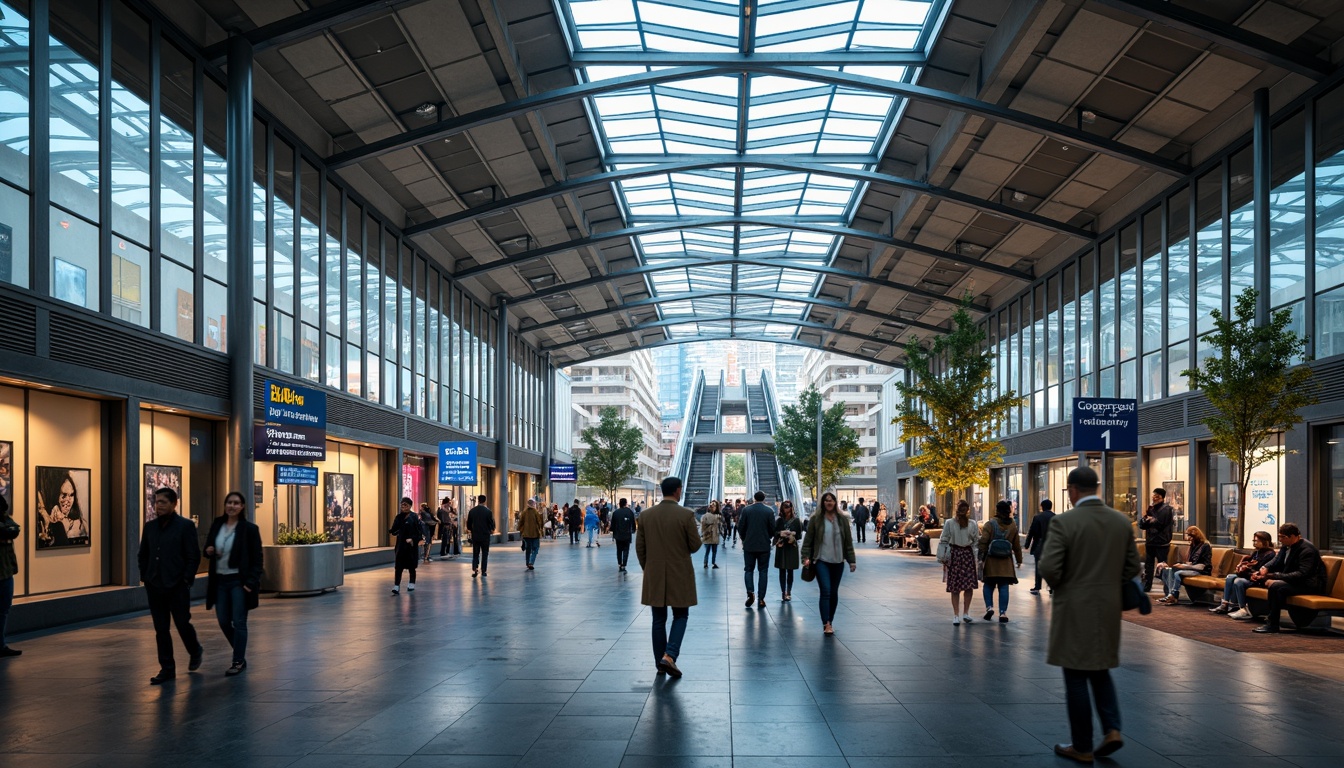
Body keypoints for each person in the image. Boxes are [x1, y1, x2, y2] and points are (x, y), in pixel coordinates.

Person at [1039, 466, 1141, 763]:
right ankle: (1112, 729)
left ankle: (1082, 746)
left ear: (1072, 490)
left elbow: (1049, 567)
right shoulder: (1121, 522)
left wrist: (1064, 584)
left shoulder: (1065, 522)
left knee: (1075, 675)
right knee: (1100, 670)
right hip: (1107, 609)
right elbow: (1133, 567)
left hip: (1073, 608)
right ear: (1096, 488)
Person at [635, 476, 701, 678]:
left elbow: (640, 548)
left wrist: (649, 567)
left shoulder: (646, 515)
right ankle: (670, 656)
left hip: (654, 572)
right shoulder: (686, 515)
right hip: (679, 572)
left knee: (658, 619)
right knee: (681, 615)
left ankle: (659, 662)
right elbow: (695, 545)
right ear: (678, 491)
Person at [137, 487, 204, 684]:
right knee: (161, 628)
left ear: (174, 504)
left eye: (163, 502)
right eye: (156, 502)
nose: (158, 505)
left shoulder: (185, 526)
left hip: (177, 585)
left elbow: (193, 556)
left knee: (182, 622)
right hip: (155, 585)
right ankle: (167, 668)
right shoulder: (150, 527)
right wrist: (146, 576)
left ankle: (195, 650)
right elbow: (143, 554)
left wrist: (185, 580)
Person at [203, 491, 263, 676]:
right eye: (229, 502)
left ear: (242, 507)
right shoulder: (217, 524)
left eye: (236, 503)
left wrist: (250, 583)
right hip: (220, 581)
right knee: (223, 621)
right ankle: (240, 654)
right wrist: (209, 550)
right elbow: (206, 549)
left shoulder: (249, 529)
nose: (232, 506)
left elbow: (257, 559)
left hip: (239, 581)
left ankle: (237, 661)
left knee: (239, 621)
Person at [1249, 523, 1327, 633]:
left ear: (1293, 536)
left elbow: (1302, 574)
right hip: (1296, 582)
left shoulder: (1307, 550)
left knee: (1276, 587)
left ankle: (1272, 624)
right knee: (1265, 581)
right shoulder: (1286, 546)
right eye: (1279, 536)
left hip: (1309, 584)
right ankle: (1267, 617)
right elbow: (1277, 560)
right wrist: (1265, 568)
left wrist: (1274, 576)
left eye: (1282, 537)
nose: (1280, 540)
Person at [800, 492, 856, 636]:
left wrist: (851, 560)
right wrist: (805, 557)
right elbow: (808, 541)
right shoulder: (816, 520)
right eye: (826, 501)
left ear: (835, 502)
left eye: (831, 500)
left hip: (838, 561)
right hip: (821, 560)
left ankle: (830, 618)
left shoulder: (842, 520)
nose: (829, 503)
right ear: (823, 503)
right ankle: (827, 623)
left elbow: (848, 542)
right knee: (826, 591)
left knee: (834, 593)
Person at [978, 499, 1023, 622]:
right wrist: (1019, 560)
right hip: (1006, 562)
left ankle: (989, 607)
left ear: (997, 510)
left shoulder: (990, 524)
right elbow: (1017, 545)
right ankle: (1003, 613)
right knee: (1004, 587)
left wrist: (980, 557)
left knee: (988, 585)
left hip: (991, 561)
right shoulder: (1013, 525)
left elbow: (983, 542)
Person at [1213, 530, 1276, 617]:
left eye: (1256, 541)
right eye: (1253, 541)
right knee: (1230, 577)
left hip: (1258, 578)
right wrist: (1243, 568)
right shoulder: (1256, 552)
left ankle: (1243, 608)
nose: (1254, 543)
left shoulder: (1269, 554)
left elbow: (1259, 571)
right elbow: (1251, 566)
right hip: (1249, 575)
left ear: (1264, 541)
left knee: (1239, 581)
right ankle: (1225, 603)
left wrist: (1245, 570)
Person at [937, 499, 980, 624]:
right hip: (967, 555)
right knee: (968, 586)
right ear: (968, 511)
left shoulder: (949, 523)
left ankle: (956, 615)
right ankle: (966, 613)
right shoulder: (972, 524)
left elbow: (944, 539)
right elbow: (976, 540)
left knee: (955, 587)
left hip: (954, 555)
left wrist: (943, 555)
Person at [737, 491, 776, 608]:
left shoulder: (746, 510)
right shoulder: (769, 511)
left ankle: (750, 592)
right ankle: (761, 599)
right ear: (764, 498)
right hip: (764, 546)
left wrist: (745, 539)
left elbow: (741, 527)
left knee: (748, 570)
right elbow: (772, 529)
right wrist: (767, 537)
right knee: (763, 571)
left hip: (749, 545)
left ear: (754, 498)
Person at [1156, 526, 1212, 605]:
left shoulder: (1205, 546)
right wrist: (1171, 564)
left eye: (1190, 536)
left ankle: (1174, 595)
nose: (1188, 539)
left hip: (1202, 572)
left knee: (1177, 573)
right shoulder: (1193, 545)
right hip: (1192, 569)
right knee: (1168, 570)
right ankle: (1170, 595)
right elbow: (1191, 562)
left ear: (1196, 536)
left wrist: (1185, 566)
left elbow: (1203, 566)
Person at [1138, 487, 1175, 592]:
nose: (1154, 498)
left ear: (1162, 498)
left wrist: (1150, 520)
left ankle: (1167, 589)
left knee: (1162, 565)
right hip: (1150, 541)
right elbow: (1142, 524)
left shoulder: (1167, 509)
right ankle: (1146, 586)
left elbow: (1160, 524)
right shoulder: (1151, 508)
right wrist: (1147, 520)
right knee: (1148, 565)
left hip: (1162, 542)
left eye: (1157, 496)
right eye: (1153, 495)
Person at [0, 493, 20, 657]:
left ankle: (0, 644)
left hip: (6, 573)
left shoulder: (5, 519)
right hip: (4, 573)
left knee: (3, 610)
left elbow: (14, 529)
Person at [389, 497, 422, 593]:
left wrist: (413, 539)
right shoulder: (398, 517)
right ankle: (396, 585)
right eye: (402, 505)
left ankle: (411, 583)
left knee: (411, 566)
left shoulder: (414, 517)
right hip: (401, 545)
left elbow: (418, 531)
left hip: (411, 545)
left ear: (410, 506)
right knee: (398, 566)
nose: (403, 507)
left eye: (405, 505)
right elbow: (394, 529)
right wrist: (393, 531)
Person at [1024, 499, 1056, 595]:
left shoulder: (1038, 517)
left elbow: (1032, 531)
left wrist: (1027, 544)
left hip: (1039, 544)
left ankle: (1037, 587)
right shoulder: (1056, 517)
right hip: (1052, 545)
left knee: (1039, 566)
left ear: (1042, 506)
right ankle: (1052, 587)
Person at [773, 500, 802, 602]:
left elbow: (799, 535)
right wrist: (780, 533)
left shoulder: (796, 520)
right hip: (782, 547)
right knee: (782, 570)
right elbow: (774, 532)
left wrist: (793, 534)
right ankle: (783, 592)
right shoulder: (779, 520)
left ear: (792, 507)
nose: (787, 508)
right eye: (785, 506)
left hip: (791, 547)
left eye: (788, 506)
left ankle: (788, 591)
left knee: (790, 570)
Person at [466, 495, 495, 577]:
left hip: (475, 536)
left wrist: (471, 530)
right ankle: (484, 570)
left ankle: (475, 568)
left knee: (475, 553)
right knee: (485, 553)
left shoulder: (472, 511)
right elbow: (491, 523)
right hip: (485, 536)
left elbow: (469, 524)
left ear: (478, 500)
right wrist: (491, 529)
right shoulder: (488, 511)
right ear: (485, 501)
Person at [611, 498, 637, 572]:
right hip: (627, 534)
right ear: (626, 503)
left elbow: (613, 524)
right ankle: (624, 564)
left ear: (619, 504)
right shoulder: (629, 512)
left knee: (619, 550)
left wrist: (612, 531)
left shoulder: (616, 513)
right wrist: (633, 530)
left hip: (618, 534)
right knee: (626, 549)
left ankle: (619, 563)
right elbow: (633, 522)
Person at [519, 498, 544, 571]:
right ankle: (531, 562)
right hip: (535, 534)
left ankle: (527, 563)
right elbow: (539, 522)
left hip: (526, 534)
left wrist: (521, 531)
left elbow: (521, 522)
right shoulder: (535, 512)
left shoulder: (524, 512)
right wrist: (541, 530)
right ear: (533, 504)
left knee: (528, 549)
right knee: (535, 548)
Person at [699, 500, 722, 569]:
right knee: (710, 551)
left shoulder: (706, 516)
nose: (712, 507)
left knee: (709, 551)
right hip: (710, 535)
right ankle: (710, 563)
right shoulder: (716, 516)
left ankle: (708, 563)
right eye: (711, 506)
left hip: (711, 535)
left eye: (714, 506)